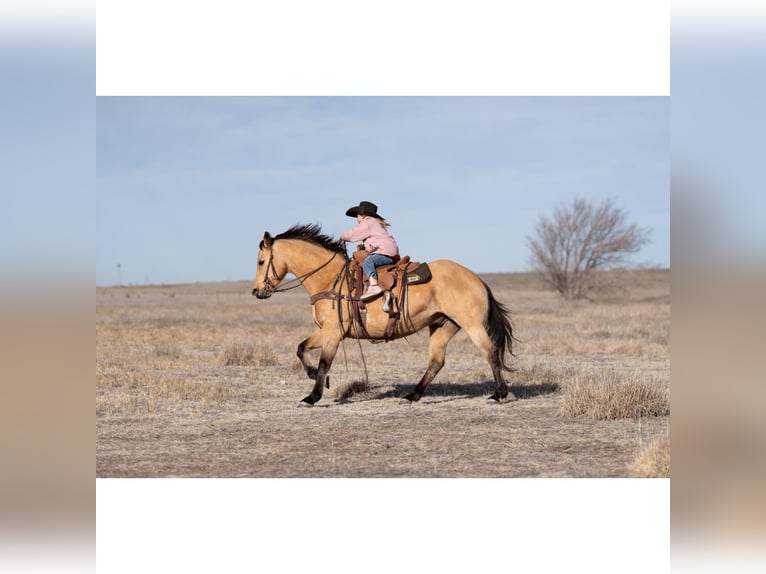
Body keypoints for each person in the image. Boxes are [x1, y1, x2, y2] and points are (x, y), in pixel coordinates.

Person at [340, 201, 400, 300]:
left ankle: (374, 286)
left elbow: (354, 234)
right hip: (388, 252)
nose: (357, 218)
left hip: (384, 252)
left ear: (362, 215)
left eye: (357, 215)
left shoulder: (368, 222)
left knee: (368, 262)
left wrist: (343, 237)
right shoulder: (374, 223)